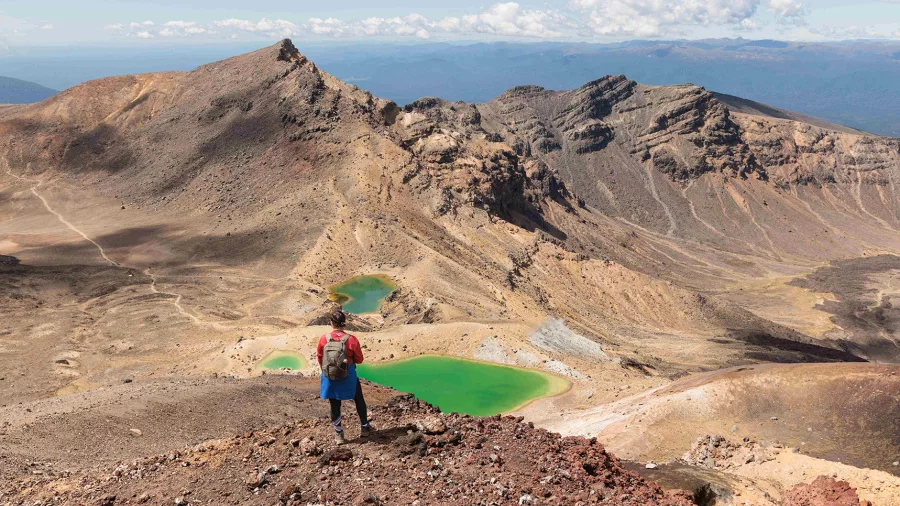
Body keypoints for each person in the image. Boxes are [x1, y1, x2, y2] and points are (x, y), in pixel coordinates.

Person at [316, 308, 374, 444]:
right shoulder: (352, 340)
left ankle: (339, 434)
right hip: (348, 374)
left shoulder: (324, 339)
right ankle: (365, 428)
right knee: (358, 399)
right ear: (344, 323)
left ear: (331, 323)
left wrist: (329, 370)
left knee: (334, 404)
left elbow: (320, 357)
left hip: (330, 375)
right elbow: (359, 359)